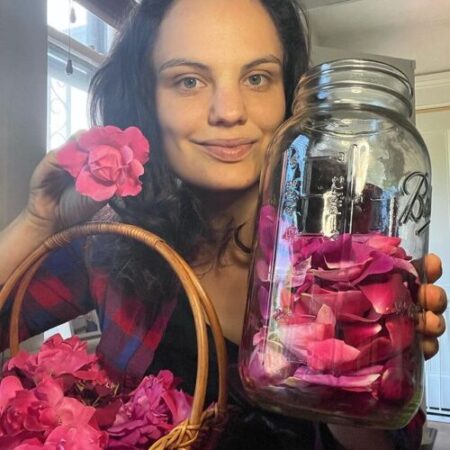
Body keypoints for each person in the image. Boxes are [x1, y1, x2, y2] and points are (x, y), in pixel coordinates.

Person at [0, 0, 447, 448]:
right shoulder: (111, 242)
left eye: (257, 78)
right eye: (189, 80)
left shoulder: (357, 241)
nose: (229, 111)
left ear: (291, 94)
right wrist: (37, 221)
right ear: (146, 100)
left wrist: (365, 373)